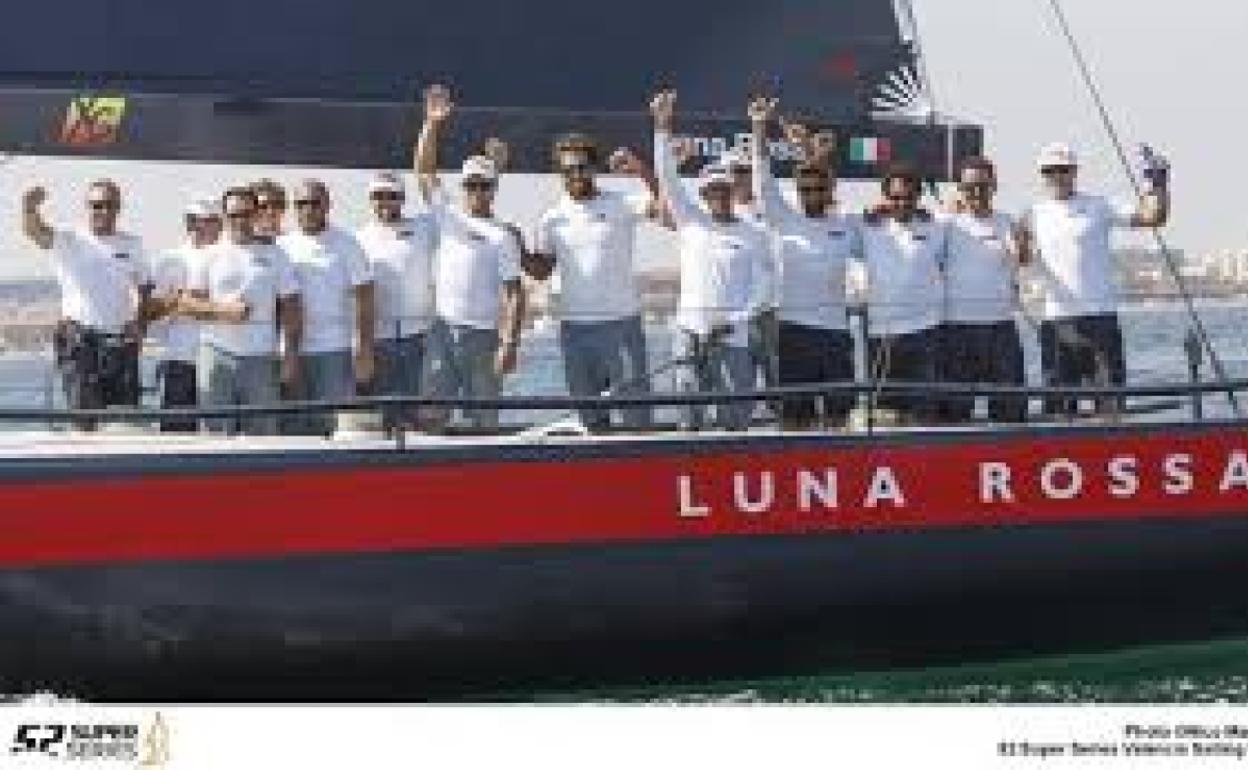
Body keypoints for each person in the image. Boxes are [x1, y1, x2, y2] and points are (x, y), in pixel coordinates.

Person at [1017, 142, 1170, 417]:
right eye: (1049, 171)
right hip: (1057, 322)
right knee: (1059, 410)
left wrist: (1156, 182)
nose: (1057, 176)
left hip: (1100, 319)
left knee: (1111, 406)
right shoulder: (1032, 214)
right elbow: (1021, 258)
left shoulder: (1100, 205)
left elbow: (1153, 217)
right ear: (1042, 175)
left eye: (1063, 170)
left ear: (1074, 172)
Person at [651, 89, 770, 432]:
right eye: (711, 190)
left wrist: (733, 320)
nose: (718, 195)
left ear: (733, 191)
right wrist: (662, 125)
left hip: (734, 338)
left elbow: (762, 289)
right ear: (703, 194)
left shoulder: (754, 232)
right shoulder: (690, 220)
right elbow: (667, 176)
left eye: (723, 189)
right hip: (689, 334)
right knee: (689, 421)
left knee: (736, 421)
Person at [526, 133, 660, 432]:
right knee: (591, 424)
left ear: (594, 168)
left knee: (637, 420)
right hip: (575, 331)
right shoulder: (550, 218)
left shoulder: (621, 203)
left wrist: (642, 170)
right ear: (559, 173)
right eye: (567, 170)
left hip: (621, 327)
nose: (575, 174)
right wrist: (517, 248)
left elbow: (667, 207)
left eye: (581, 167)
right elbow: (541, 271)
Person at [415, 84, 525, 432]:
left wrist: (509, 344)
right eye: (471, 184)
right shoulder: (447, 215)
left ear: (494, 188)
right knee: (431, 417)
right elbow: (424, 172)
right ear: (462, 186)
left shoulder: (502, 235)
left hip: (484, 338)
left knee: (485, 421)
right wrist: (432, 124)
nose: (476, 191)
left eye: (484, 185)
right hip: (442, 331)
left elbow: (515, 294)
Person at [748, 97, 859, 430]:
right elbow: (762, 178)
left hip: (836, 334)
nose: (811, 194)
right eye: (805, 189)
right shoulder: (784, 219)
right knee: (795, 418)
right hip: (794, 332)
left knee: (839, 416)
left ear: (829, 189)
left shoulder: (847, 223)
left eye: (818, 188)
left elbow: (891, 221)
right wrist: (759, 127)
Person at [21, 180, 151, 428]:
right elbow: (35, 232)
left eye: (110, 205)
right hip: (80, 344)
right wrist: (29, 208)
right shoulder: (68, 239)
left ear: (119, 208)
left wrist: (140, 323)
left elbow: (145, 286)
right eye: (97, 205)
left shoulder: (132, 243)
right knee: (85, 423)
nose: (103, 211)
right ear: (87, 207)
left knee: (125, 423)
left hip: (120, 344)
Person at [182, 186, 303, 436]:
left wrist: (290, 355)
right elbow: (188, 304)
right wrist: (222, 311)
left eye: (246, 214)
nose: (240, 221)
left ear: (257, 214)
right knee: (214, 436)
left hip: (261, 357)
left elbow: (291, 306)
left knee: (264, 435)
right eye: (234, 215)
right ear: (224, 217)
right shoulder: (209, 254)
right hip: (217, 355)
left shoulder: (276, 254)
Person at [278, 180, 376, 436]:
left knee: (337, 429)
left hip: (335, 350)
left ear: (328, 205)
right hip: (293, 354)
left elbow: (365, 297)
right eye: (301, 204)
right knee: (296, 430)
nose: (308, 209)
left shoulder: (347, 243)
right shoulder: (282, 246)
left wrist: (364, 348)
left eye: (315, 203)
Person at [938, 157, 1028, 424]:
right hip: (956, 329)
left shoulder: (1008, 221)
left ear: (994, 186)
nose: (976, 192)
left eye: (983, 186)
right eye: (969, 187)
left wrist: (1023, 244)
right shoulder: (944, 223)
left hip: (1001, 328)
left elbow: (1023, 259)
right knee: (954, 414)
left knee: (1011, 412)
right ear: (960, 189)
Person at [860, 163, 948, 425]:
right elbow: (832, 215)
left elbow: (958, 210)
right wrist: (869, 211)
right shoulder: (866, 226)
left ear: (918, 197)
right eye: (895, 197)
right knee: (884, 417)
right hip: (882, 335)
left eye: (908, 197)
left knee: (926, 415)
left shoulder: (937, 226)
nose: (902, 203)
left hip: (926, 332)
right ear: (885, 197)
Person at [355, 172, 437, 430]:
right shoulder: (358, 238)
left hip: (420, 337)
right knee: (383, 415)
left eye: (391, 196)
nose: (385, 201)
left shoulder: (424, 228)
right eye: (378, 196)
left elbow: (437, 194)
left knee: (420, 413)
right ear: (370, 199)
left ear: (402, 199)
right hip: (378, 340)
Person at [147, 197, 222, 432]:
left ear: (219, 223)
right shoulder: (168, 259)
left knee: (220, 434)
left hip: (221, 360)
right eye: (192, 220)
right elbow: (150, 313)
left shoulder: (230, 257)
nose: (197, 226)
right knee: (176, 435)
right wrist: (177, 301)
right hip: (179, 359)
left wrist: (189, 302)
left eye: (206, 220)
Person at [251, 179, 288, 245]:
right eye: (263, 206)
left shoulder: (295, 244)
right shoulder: (241, 248)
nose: (269, 211)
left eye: (274, 206)